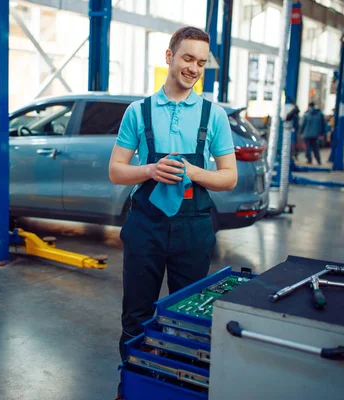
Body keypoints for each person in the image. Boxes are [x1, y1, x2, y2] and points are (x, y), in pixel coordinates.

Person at [108, 26, 237, 399]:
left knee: (190, 318)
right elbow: (117, 170)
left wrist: (194, 172)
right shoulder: (139, 111)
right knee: (136, 315)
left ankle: (180, 389)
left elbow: (229, 178)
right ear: (169, 57)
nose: (194, 68)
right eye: (187, 58)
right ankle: (130, 388)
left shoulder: (214, 116)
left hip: (194, 226)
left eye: (200, 62)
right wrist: (149, 169)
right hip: (145, 224)